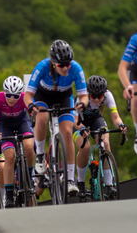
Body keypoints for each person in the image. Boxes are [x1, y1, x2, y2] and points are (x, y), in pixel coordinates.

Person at [24, 39, 89, 195]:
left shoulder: (76, 68)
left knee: (67, 132)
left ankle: (70, 179)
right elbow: (28, 95)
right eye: (61, 65)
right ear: (53, 63)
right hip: (43, 96)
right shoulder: (42, 67)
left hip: (64, 97)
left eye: (68, 63)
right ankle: (40, 155)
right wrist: (31, 106)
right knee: (42, 118)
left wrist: (83, 104)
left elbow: (84, 95)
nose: (66, 68)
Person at [73, 75, 128, 199]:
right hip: (79, 123)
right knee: (85, 148)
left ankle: (109, 184)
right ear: (88, 93)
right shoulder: (81, 96)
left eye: (100, 96)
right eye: (93, 96)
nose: (97, 99)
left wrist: (120, 125)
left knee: (105, 143)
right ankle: (80, 182)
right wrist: (82, 128)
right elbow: (75, 119)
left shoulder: (108, 95)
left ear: (104, 94)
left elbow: (115, 116)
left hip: (95, 119)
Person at [0, 76, 35, 208]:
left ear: (20, 94)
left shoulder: (24, 97)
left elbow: (33, 117)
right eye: (8, 95)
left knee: (28, 146)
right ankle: (9, 196)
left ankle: (29, 176)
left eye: (15, 96)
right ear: (4, 92)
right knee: (9, 157)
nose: (11, 99)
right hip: (5, 126)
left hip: (22, 122)